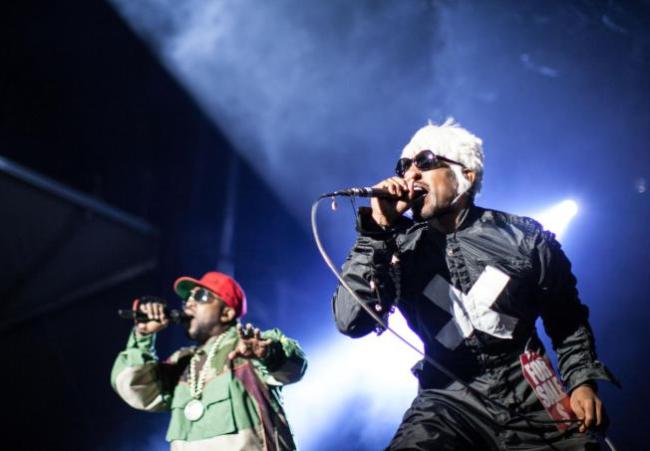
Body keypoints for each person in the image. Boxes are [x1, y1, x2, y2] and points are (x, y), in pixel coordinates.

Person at [332, 119, 618, 450]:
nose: (411, 174)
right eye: (404, 166)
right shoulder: (398, 249)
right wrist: (377, 232)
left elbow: (566, 319)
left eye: (425, 161)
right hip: (446, 404)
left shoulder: (524, 238)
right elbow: (351, 321)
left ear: (466, 175)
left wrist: (582, 382)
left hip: (533, 398)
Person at [111, 271, 307, 451]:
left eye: (201, 296)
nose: (189, 303)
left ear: (226, 313)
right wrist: (143, 335)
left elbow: (293, 369)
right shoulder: (181, 362)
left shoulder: (248, 347)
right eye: (187, 299)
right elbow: (132, 386)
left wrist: (267, 353)